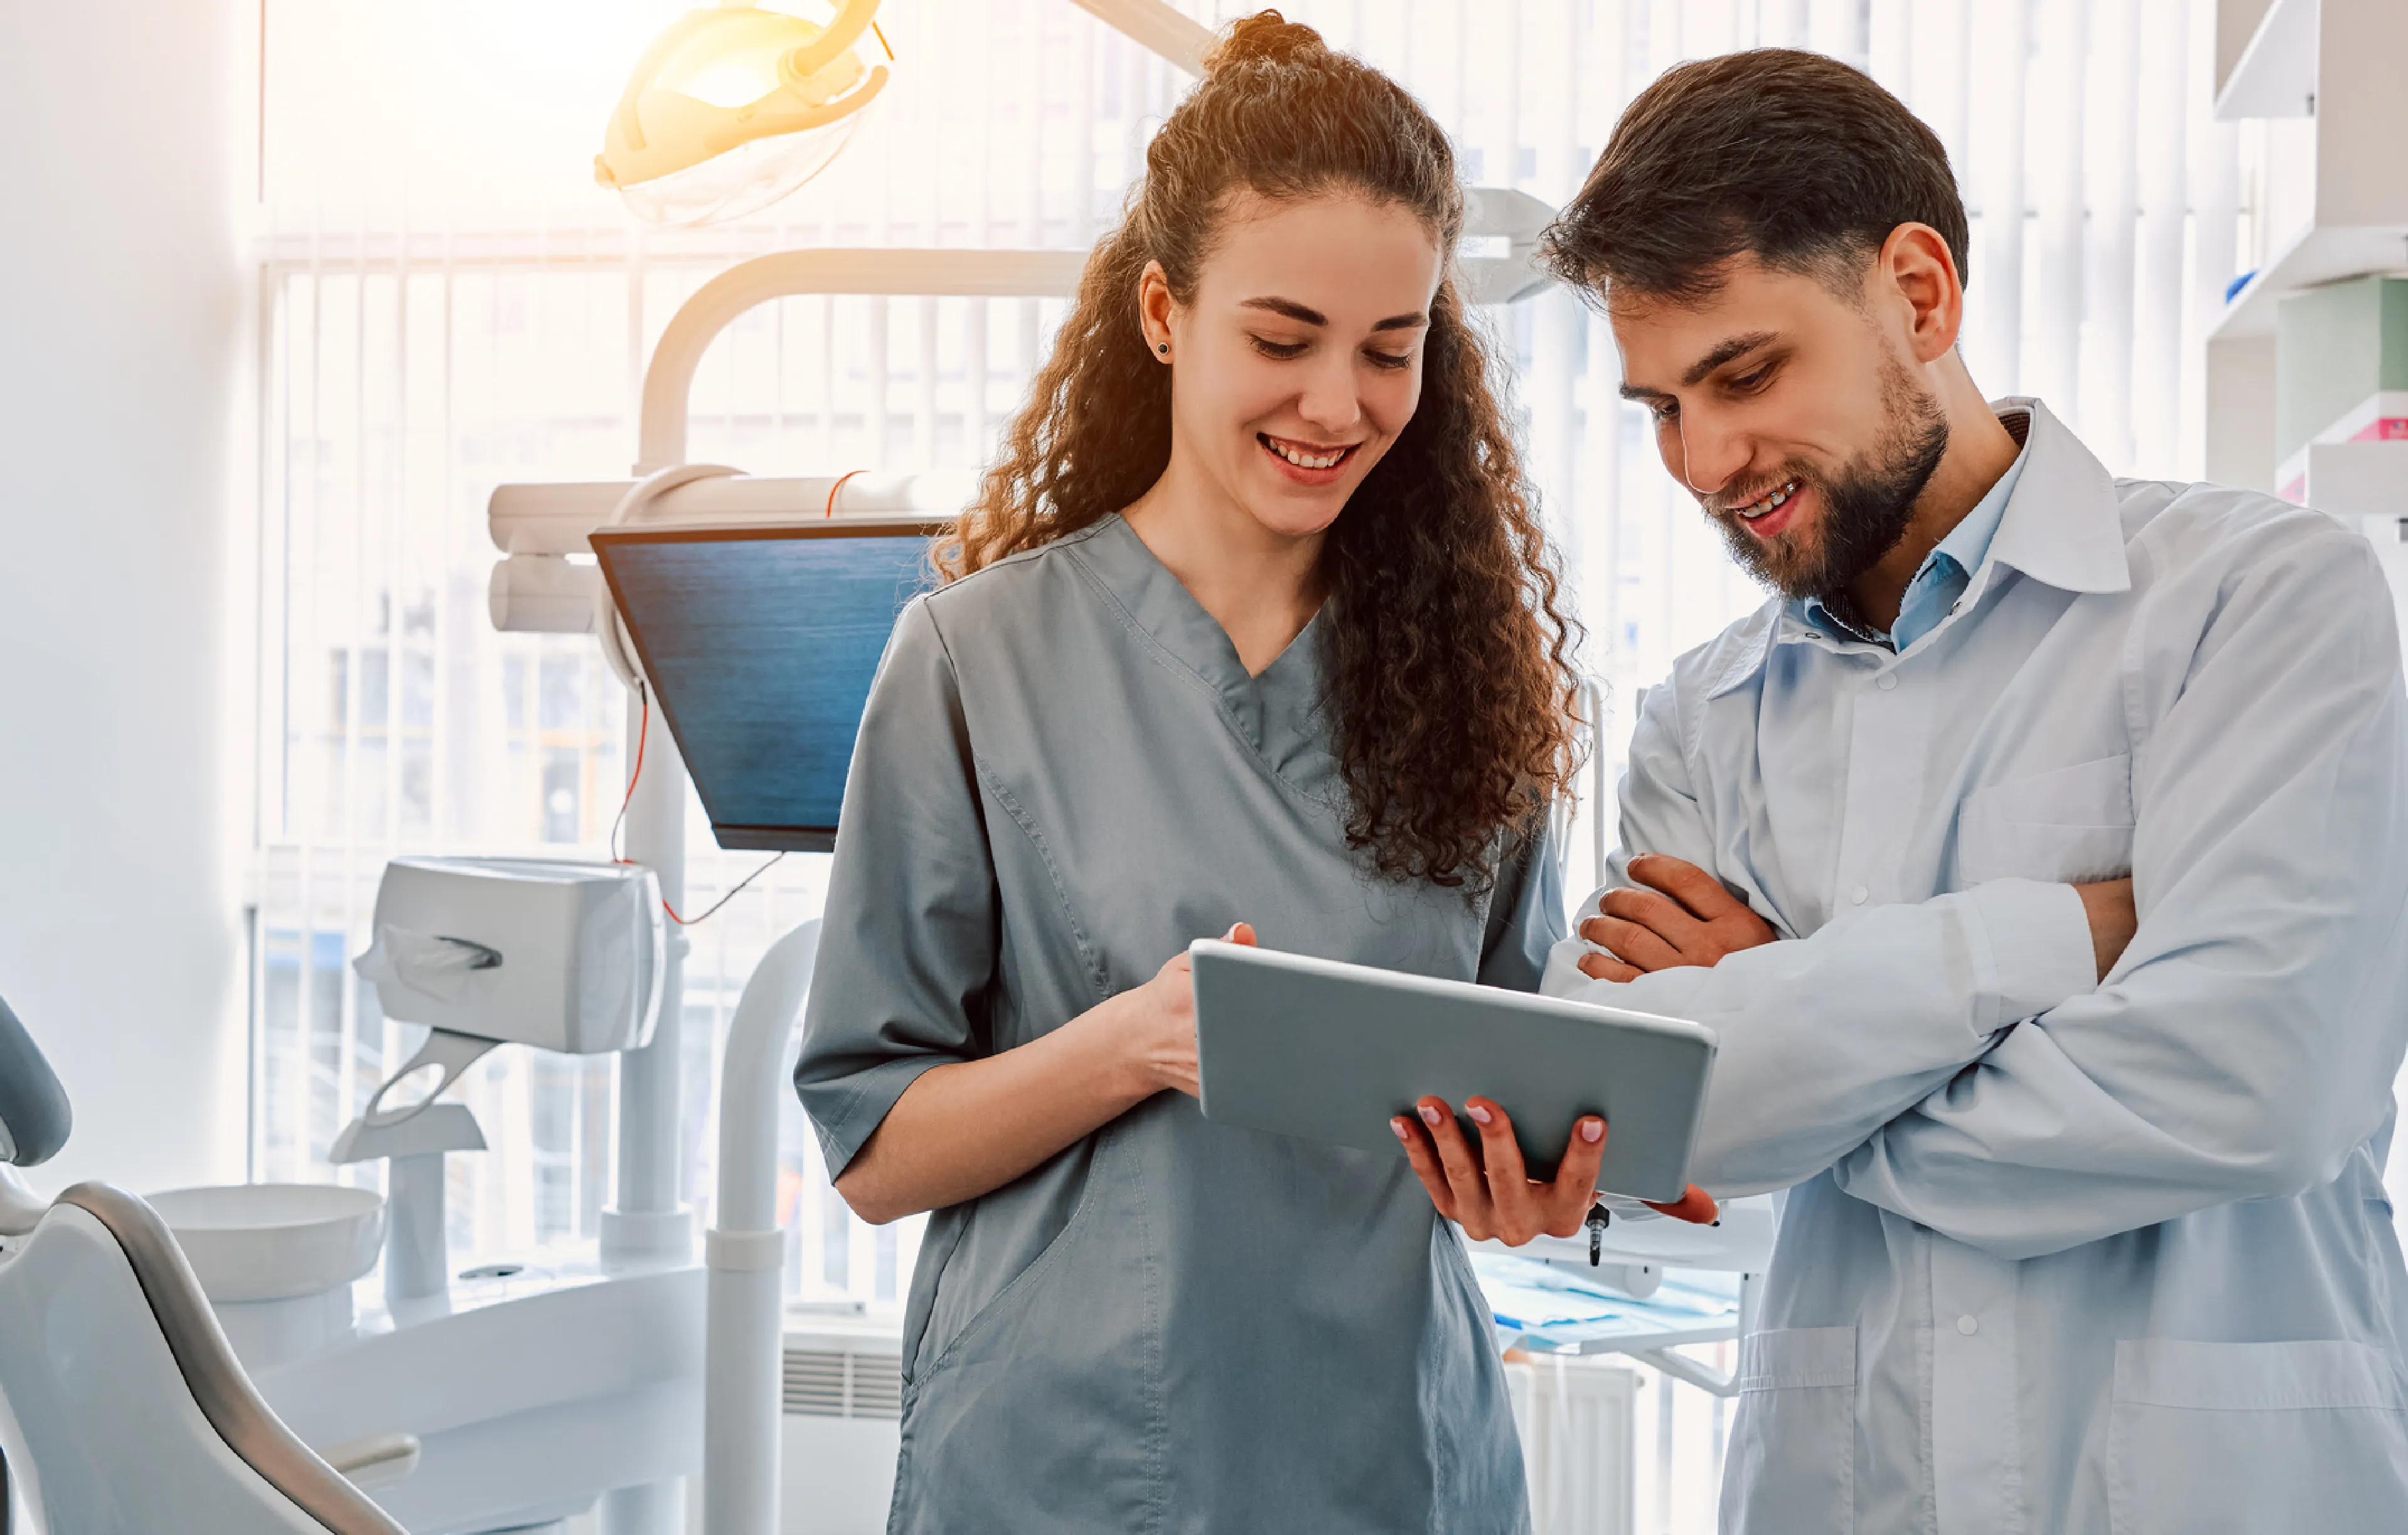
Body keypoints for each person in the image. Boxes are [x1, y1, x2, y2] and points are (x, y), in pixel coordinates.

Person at [1395, 48, 2408, 1534]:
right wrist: (2049, 944)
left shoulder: (2256, 603)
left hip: (2218, 1485)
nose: (1706, 460)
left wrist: (1792, 1025)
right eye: (1661, 406)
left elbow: (2256, 1090)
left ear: (1920, 294)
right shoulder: (1702, 716)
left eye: (1745, 374)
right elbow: (1645, 1116)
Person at [794, 14, 1704, 1531]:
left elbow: (1512, 1068)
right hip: (1070, 1460)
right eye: (1281, 341)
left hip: (1394, 1453)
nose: (1337, 406)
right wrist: (1142, 1041)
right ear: (1164, 312)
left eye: (1388, 350)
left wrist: (1543, 1178)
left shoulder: (1481, 690)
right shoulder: (975, 659)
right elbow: (878, 1154)